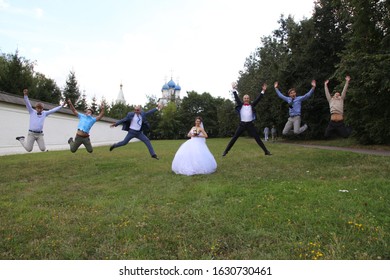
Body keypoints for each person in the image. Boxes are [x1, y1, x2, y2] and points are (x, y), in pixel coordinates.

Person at [222, 82, 271, 157]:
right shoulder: (240, 105)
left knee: (257, 138)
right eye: (245, 98)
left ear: (249, 99)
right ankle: (225, 151)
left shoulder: (252, 105)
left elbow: (258, 99)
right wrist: (233, 89)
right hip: (242, 124)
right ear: (243, 99)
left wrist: (263, 91)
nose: (246, 99)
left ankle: (266, 151)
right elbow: (236, 97)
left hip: (250, 124)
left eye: (247, 98)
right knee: (234, 138)